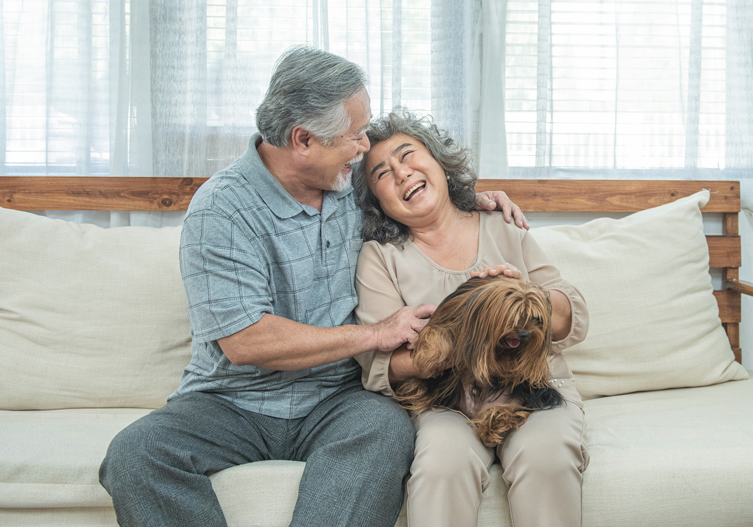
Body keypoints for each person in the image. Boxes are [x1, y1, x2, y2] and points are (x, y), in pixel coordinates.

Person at [99, 46, 525, 527]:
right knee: (135, 454)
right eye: (354, 136)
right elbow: (245, 341)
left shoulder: (348, 187)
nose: (364, 147)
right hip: (229, 403)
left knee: (385, 430)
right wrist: (372, 335)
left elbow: (415, 194)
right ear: (303, 140)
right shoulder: (221, 208)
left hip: (337, 399)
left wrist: (471, 203)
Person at [352, 109, 590, 527]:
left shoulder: (504, 225)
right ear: (376, 203)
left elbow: (572, 316)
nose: (403, 173)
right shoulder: (380, 258)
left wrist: (522, 299)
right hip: (446, 403)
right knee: (442, 463)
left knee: (547, 456)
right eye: (383, 174)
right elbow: (383, 366)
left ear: (440, 163)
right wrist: (471, 332)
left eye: (409, 155)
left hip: (534, 391)